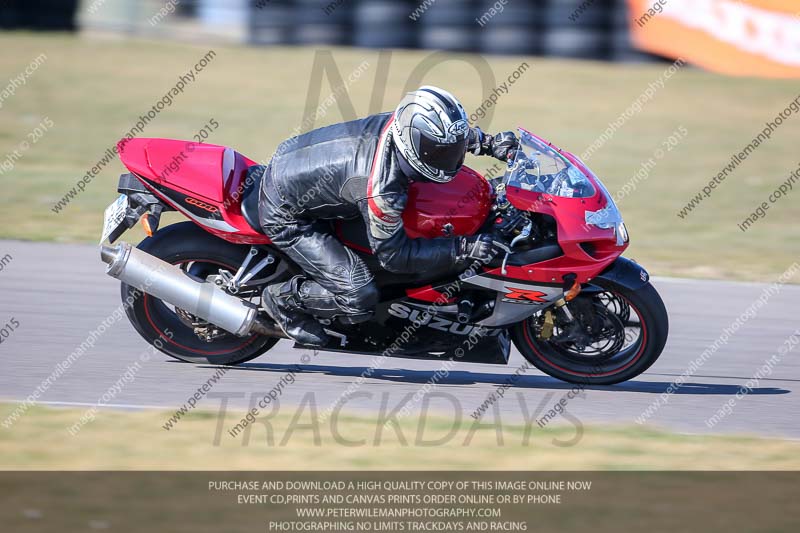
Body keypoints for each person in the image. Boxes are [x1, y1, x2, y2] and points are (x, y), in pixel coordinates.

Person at [257, 85, 518, 345]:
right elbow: (394, 256)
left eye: (451, 149)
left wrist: (487, 142)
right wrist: (464, 247)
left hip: (300, 167)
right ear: (415, 145)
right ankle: (284, 300)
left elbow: (441, 136)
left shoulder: (404, 123)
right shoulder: (382, 190)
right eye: (441, 152)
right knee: (359, 293)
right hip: (288, 215)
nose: (449, 158)